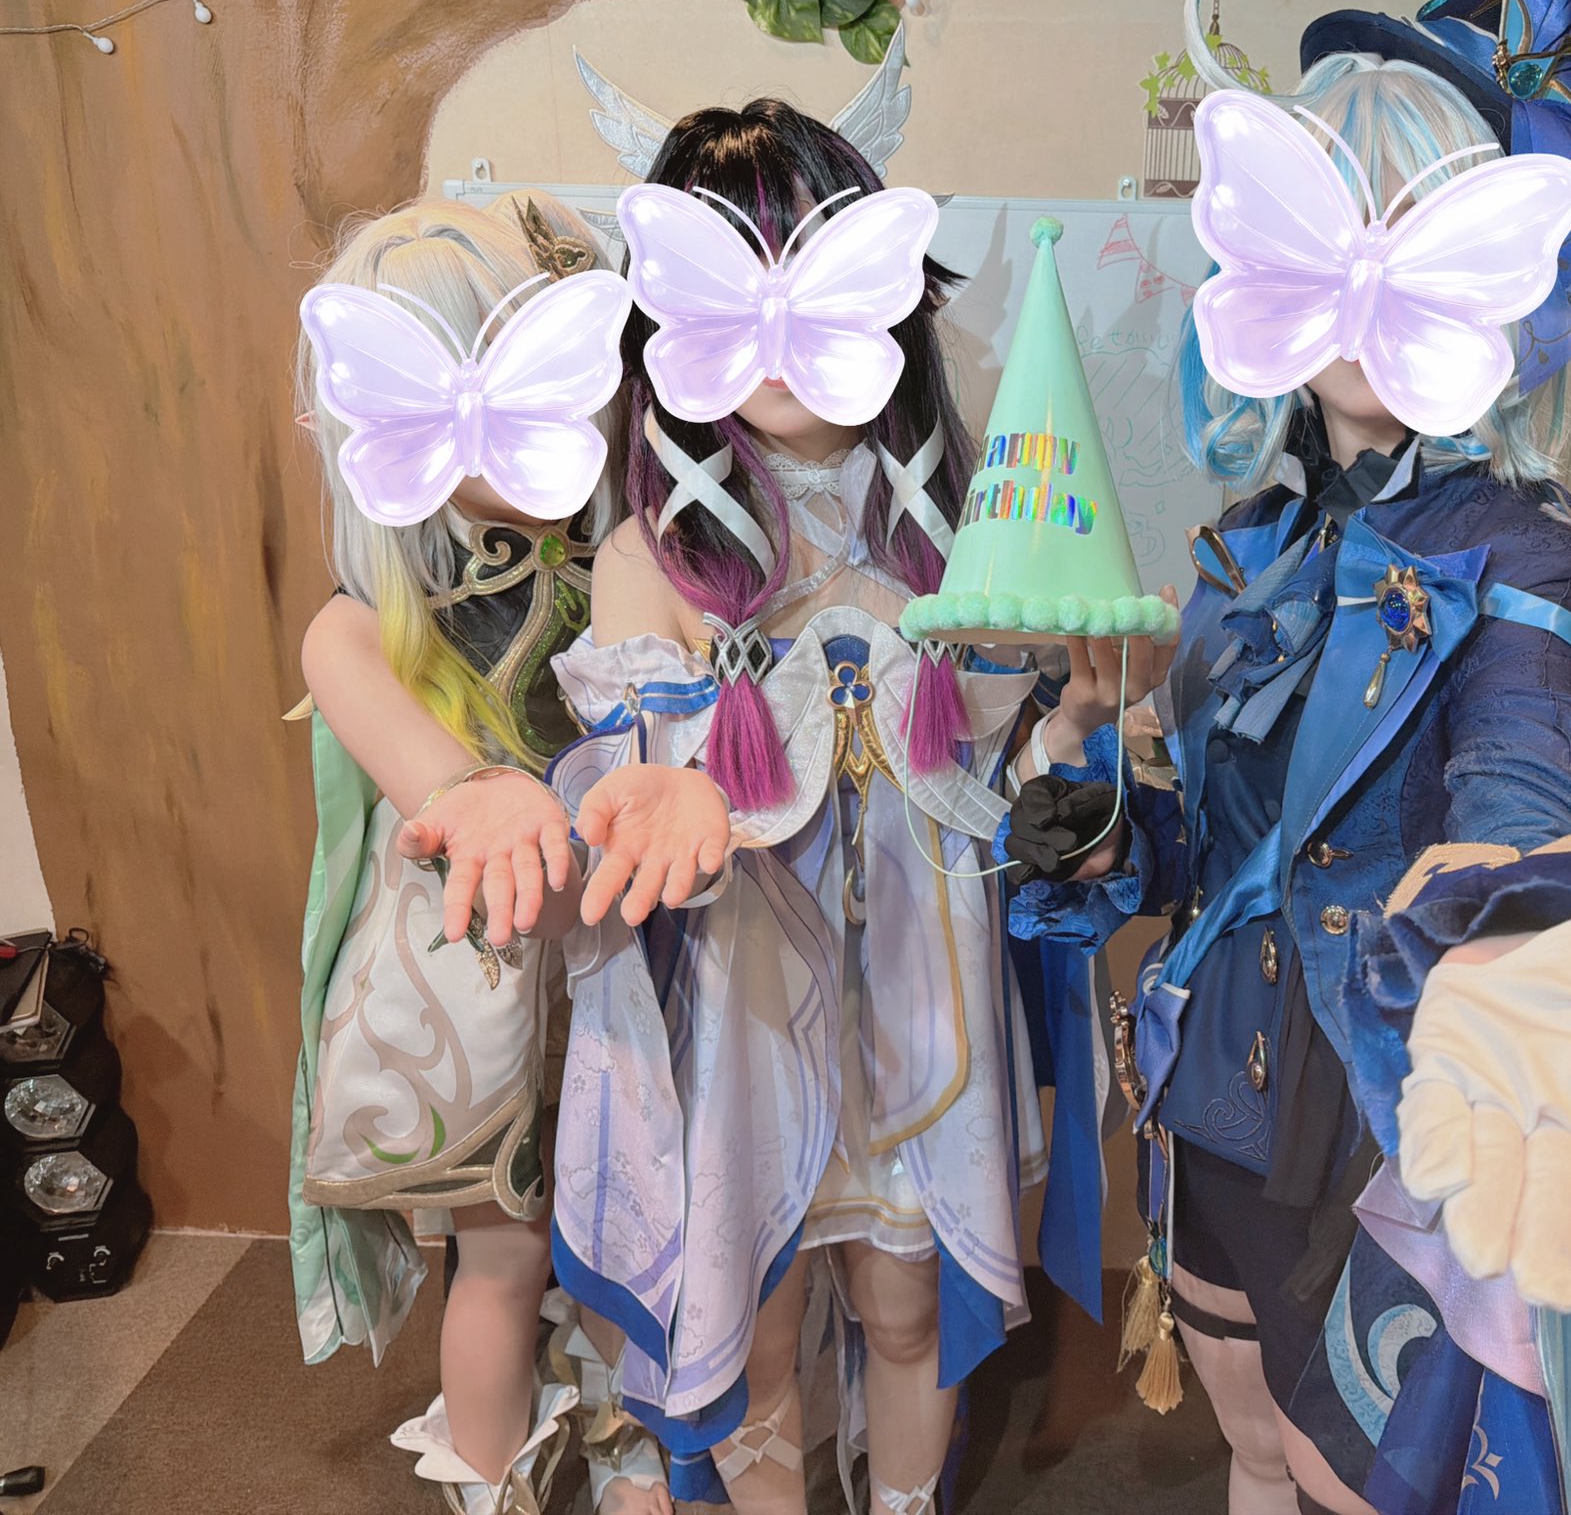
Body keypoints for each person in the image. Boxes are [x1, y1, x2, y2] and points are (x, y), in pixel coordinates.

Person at [1002, 0, 1571, 1515]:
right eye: (1325, 223)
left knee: (1354, 1482)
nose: (1360, 279)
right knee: (1250, 1448)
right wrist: (1086, 787)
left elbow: (1522, 789)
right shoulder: (1250, 548)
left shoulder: (1523, 564)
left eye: (1410, 227)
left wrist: (1521, 930)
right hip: (1215, 1093)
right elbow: (1207, 849)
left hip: (1379, 1123)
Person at [544, 99, 1067, 1515]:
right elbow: (629, 782)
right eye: (734, 280)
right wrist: (656, 794)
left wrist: (1083, 723)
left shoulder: (963, 528)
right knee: (758, 1330)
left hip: (922, 995)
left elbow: (1021, 769)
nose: (777, 329)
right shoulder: (652, 557)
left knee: (907, 1306)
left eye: (814, 273)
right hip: (746, 1010)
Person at [288, 190, 729, 1515]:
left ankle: (637, 1450)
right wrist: (474, 790)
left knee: (640, 1218)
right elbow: (413, 753)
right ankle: (492, 1478)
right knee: (506, 1252)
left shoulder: (625, 552)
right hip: (476, 967)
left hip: (620, 929)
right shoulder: (362, 621)